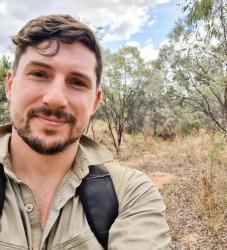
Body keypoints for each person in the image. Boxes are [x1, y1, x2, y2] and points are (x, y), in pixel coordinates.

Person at [0, 14, 171, 249]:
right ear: (10, 85)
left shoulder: (129, 193)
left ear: (95, 101)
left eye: (77, 82)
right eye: (39, 74)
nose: (56, 99)